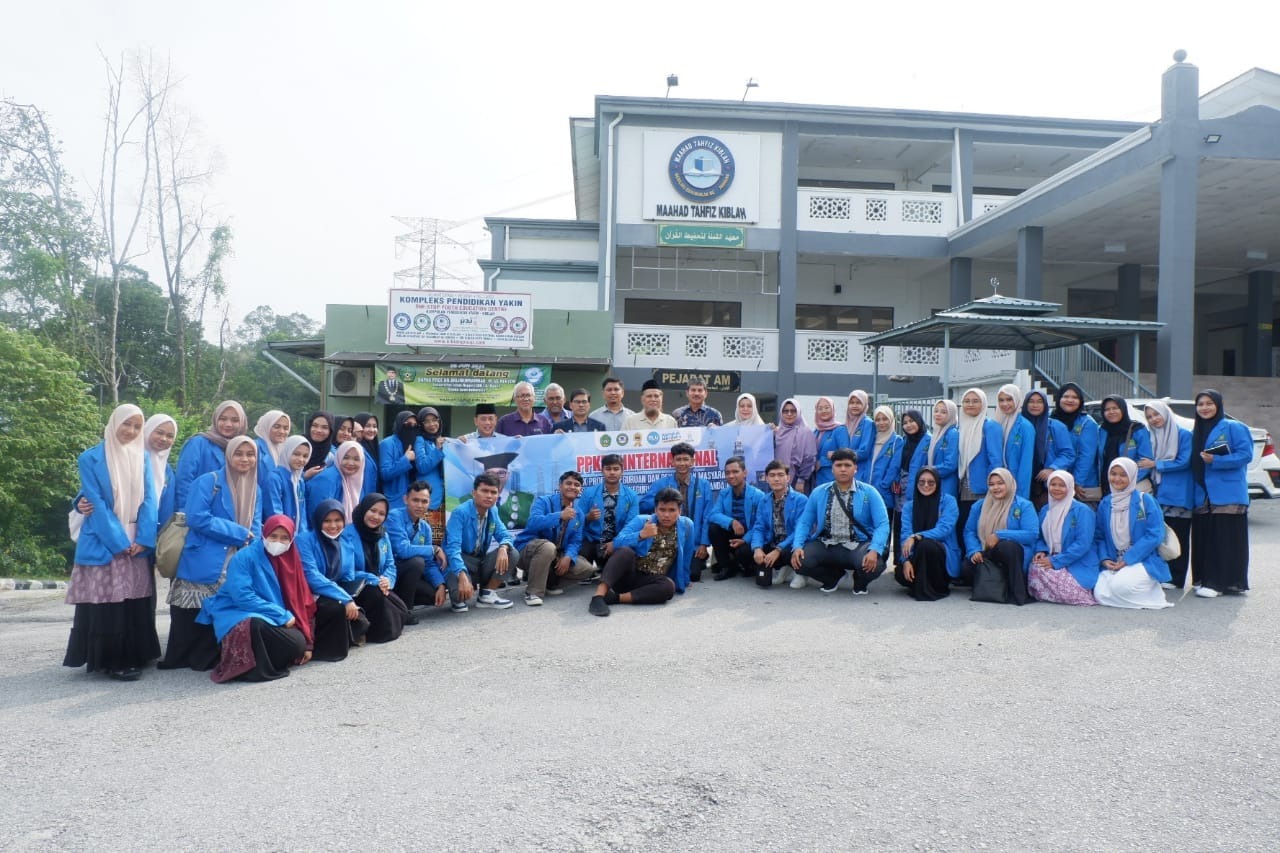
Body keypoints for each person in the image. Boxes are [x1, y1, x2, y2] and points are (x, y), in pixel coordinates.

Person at [63, 404, 160, 681]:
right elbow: (95, 502)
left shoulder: (142, 457)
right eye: (126, 424)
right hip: (105, 538)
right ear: (114, 423)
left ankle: (137, 654)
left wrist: (144, 538)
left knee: (134, 600)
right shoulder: (90, 458)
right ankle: (112, 661)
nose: (131, 430)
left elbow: (150, 499)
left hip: (137, 538)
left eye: (137, 426)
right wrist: (118, 542)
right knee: (109, 602)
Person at [160, 435, 262, 671]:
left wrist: (251, 546)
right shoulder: (209, 481)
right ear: (228, 455)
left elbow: (256, 524)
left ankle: (209, 657)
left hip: (238, 556)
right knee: (191, 609)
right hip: (205, 554)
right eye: (238, 454)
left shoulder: (255, 487)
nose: (245, 459)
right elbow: (196, 517)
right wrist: (238, 533)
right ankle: (182, 657)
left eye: (250, 454)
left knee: (222, 607)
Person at [196, 514, 312, 682]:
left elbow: (302, 601)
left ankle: (263, 660)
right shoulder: (244, 557)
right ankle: (251, 668)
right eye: (273, 536)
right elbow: (242, 597)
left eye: (284, 538)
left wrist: (308, 642)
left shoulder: (292, 560)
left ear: (292, 540)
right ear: (264, 534)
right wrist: (280, 614)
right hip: (238, 611)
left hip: (273, 616)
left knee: (297, 644)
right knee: (255, 624)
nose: (278, 542)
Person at [787, 448, 889, 595]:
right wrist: (797, 546)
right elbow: (805, 522)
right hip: (827, 544)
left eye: (847, 465)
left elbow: (882, 524)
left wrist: (875, 549)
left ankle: (860, 581)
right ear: (832, 468)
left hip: (858, 545)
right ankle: (832, 577)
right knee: (800, 560)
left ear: (855, 468)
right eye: (838, 465)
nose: (843, 469)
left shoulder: (870, 492)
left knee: (874, 563)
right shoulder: (819, 492)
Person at [588, 487, 693, 617]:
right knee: (625, 552)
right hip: (627, 575)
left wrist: (685, 580)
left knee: (668, 587)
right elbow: (617, 542)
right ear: (655, 510)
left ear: (680, 511)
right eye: (662, 510)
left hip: (652, 580)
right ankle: (598, 596)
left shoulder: (687, 525)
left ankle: (615, 598)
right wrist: (641, 535)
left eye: (672, 510)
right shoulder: (642, 520)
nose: (666, 515)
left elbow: (687, 554)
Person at [1189, 389, 1251, 598]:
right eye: (1200, 404)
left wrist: (1217, 460)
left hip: (1228, 491)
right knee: (1205, 537)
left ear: (1218, 405)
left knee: (1225, 538)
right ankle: (1204, 578)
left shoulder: (1233, 427)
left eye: (1209, 403)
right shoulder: (1197, 431)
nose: (1204, 408)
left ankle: (1221, 584)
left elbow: (1246, 455)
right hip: (1202, 493)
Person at [1093, 458, 1174, 609]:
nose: (1117, 479)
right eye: (1113, 474)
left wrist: (1128, 558)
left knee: (1119, 587)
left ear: (1132, 476)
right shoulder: (1106, 503)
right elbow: (1100, 536)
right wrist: (1104, 559)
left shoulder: (1146, 500)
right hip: (1115, 560)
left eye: (1123, 475)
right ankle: (1127, 593)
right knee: (1099, 593)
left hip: (1142, 559)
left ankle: (1151, 590)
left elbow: (1155, 534)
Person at [298, 500, 370, 659]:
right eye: (327, 520)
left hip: (332, 590)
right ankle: (324, 650)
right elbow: (311, 576)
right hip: (310, 593)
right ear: (318, 521)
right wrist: (345, 598)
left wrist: (375, 580)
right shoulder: (305, 540)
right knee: (337, 608)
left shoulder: (344, 542)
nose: (333, 526)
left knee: (368, 600)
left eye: (338, 520)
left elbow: (349, 576)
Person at [514, 471, 597, 605]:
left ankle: (550, 583)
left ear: (580, 490)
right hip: (527, 551)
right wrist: (559, 516)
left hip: (556, 554)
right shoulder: (543, 501)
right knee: (548, 547)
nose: (572, 487)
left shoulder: (579, 514)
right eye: (568, 483)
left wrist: (568, 557)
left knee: (587, 569)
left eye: (576, 485)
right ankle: (533, 593)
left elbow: (575, 541)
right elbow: (533, 523)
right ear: (560, 486)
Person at [962, 468, 1037, 604]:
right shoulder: (979, 506)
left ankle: (1016, 592)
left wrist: (1000, 535)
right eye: (991, 484)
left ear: (1009, 483)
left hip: (1013, 554)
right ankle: (993, 588)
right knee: (966, 568)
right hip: (986, 549)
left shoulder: (1024, 505)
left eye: (1000, 483)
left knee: (1008, 547)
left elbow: (1032, 534)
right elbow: (969, 531)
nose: (996, 487)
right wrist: (974, 551)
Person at [443, 473, 517, 611]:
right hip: (462, 560)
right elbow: (452, 549)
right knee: (460, 601)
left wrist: (503, 547)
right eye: (484, 491)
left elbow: (504, 535)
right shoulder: (460, 513)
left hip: (480, 561)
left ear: (498, 495)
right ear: (474, 493)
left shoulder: (493, 510)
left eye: (493, 492)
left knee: (512, 553)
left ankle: (486, 595)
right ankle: (460, 588)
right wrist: (462, 575)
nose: (489, 496)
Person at [641, 442, 712, 582]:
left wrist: (703, 544)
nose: (682, 463)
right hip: (666, 540)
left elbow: (707, 516)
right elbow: (643, 506)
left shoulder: (703, 485)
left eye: (686, 459)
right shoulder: (662, 484)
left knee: (693, 575)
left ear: (692, 461)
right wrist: (662, 498)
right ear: (672, 461)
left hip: (692, 542)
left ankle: (697, 559)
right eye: (678, 459)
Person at [345, 493, 410, 642]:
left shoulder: (382, 534)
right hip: (355, 585)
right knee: (380, 600)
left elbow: (390, 564)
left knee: (401, 609)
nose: (376, 517)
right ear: (364, 509)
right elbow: (346, 571)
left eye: (381, 514)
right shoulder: (347, 534)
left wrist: (387, 580)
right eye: (373, 511)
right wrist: (374, 579)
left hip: (378, 584)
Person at [1142, 400, 1193, 590]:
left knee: (1179, 535)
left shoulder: (1183, 435)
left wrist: (1157, 464)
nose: (1153, 419)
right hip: (1159, 492)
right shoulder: (1152, 436)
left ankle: (1177, 578)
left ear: (1166, 414)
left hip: (1178, 493)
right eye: (1149, 416)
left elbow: (1185, 461)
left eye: (1156, 414)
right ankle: (1164, 574)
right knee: (1162, 536)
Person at [1028, 470, 1098, 605]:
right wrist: (1041, 550)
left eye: (1062, 485)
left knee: (1068, 589)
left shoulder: (1082, 511)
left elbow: (1083, 544)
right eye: (1053, 484)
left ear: (1070, 487)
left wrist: (1055, 561)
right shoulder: (1046, 510)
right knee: (1035, 568)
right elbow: (1040, 536)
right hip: (1052, 556)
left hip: (1076, 561)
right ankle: (1056, 595)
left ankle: (1078, 595)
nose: (1057, 488)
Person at [895, 466, 960, 601]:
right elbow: (905, 535)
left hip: (941, 554)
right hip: (917, 553)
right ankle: (920, 585)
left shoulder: (949, 501)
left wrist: (917, 536)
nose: (926, 485)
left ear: (938, 483)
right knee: (900, 574)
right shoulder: (909, 506)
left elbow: (944, 529)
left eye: (931, 482)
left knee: (926, 545)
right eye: (922, 482)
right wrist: (906, 561)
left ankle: (935, 588)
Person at [385, 480, 449, 615]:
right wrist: (434, 549)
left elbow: (429, 562)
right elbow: (403, 550)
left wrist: (441, 584)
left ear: (429, 503)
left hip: (409, 576)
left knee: (433, 594)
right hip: (390, 573)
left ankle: (394, 603)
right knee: (417, 562)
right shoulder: (394, 517)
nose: (420, 505)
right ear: (406, 499)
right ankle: (405, 611)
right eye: (415, 500)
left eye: (424, 501)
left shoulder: (425, 527)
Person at [955, 388, 1002, 560]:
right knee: (963, 526)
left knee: (979, 528)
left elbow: (996, 460)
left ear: (983, 403)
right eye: (967, 401)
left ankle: (980, 565)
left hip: (982, 488)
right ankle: (966, 564)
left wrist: (992, 486)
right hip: (962, 487)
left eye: (975, 401)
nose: (970, 404)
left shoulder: (990, 426)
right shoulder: (960, 427)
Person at [174, 400, 247, 508]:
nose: (228, 424)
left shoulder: (244, 448)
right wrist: (186, 510)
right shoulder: (198, 443)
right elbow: (184, 481)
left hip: (231, 513)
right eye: (223, 419)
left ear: (242, 422)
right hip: (198, 511)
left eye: (235, 420)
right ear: (215, 419)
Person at [708, 456, 768, 581]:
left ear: (745, 473)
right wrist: (732, 522)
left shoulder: (758, 495)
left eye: (735, 472)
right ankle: (726, 567)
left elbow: (760, 525)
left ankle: (746, 565)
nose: (731, 476)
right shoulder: (724, 493)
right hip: (732, 533)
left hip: (750, 535)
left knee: (744, 552)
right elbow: (713, 515)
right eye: (727, 473)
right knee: (714, 528)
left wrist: (745, 540)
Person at [751, 460, 808, 588]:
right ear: (766, 478)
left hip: (793, 543)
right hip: (774, 541)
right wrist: (757, 548)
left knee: (789, 552)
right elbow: (759, 527)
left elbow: (800, 530)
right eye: (772, 475)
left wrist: (779, 549)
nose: (776, 479)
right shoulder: (764, 500)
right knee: (748, 551)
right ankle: (783, 568)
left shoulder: (800, 500)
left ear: (788, 478)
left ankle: (801, 573)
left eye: (780, 475)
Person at [577, 453, 640, 569]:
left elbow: (631, 526)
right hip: (591, 540)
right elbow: (576, 522)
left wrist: (615, 543)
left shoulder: (632, 496)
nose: (612, 472)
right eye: (608, 469)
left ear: (622, 471)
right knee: (579, 562)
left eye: (616, 469)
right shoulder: (589, 493)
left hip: (616, 541)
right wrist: (588, 517)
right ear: (602, 471)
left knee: (624, 560)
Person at [1022, 390, 1075, 509]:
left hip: (1046, 485)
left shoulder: (1056, 427)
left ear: (1045, 405)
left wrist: (1052, 468)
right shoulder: (1019, 426)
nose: (1035, 405)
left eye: (1039, 402)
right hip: (1023, 480)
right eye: (1031, 401)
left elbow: (1068, 453)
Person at [1051, 383, 1101, 502]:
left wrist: (1076, 482)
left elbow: (1086, 456)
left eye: (1075, 397)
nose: (1070, 400)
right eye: (1066, 396)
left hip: (1081, 485)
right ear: (1059, 399)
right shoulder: (1050, 419)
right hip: (1054, 482)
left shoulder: (1087, 423)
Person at [866, 406, 904, 561]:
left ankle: (881, 559)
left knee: (883, 525)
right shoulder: (871, 439)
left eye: (885, 419)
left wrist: (883, 485)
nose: (881, 423)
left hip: (884, 491)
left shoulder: (896, 441)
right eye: (877, 419)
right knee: (867, 525)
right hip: (866, 490)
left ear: (892, 420)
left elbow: (895, 466)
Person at [1096, 395, 1153, 495]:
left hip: (1132, 485)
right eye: (1107, 409)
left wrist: (1126, 481)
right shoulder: (1101, 430)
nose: (1111, 412)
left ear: (1123, 409)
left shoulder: (1137, 429)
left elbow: (1145, 462)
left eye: (1115, 408)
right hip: (1107, 486)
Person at [892, 409, 927, 564]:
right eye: (905, 422)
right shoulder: (904, 441)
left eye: (912, 421)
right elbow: (897, 464)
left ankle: (914, 560)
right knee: (900, 522)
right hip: (901, 488)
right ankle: (900, 560)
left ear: (919, 421)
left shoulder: (928, 440)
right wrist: (895, 480)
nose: (908, 425)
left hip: (920, 487)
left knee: (915, 523)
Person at [306, 440, 367, 523]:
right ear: (339, 457)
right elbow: (317, 515)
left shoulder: (355, 481)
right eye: (346, 457)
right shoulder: (327, 479)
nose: (351, 463)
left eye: (356, 459)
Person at [993, 384, 1035, 499]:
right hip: (997, 484)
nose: (1005, 404)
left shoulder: (1025, 426)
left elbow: (1026, 464)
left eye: (1009, 399)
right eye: (1001, 400)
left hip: (1015, 484)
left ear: (1017, 400)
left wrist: (1020, 495)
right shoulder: (996, 423)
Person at [379, 411, 427, 510]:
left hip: (413, 502)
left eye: (415, 425)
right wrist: (405, 459)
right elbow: (385, 473)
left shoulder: (415, 443)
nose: (411, 427)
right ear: (399, 424)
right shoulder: (387, 443)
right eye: (408, 424)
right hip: (394, 502)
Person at [772, 398, 816, 494]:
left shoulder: (805, 432)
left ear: (799, 412)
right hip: (777, 479)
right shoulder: (777, 433)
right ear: (781, 413)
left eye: (793, 411)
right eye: (785, 411)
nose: (789, 414)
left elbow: (809, 457)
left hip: (797, 481)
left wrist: (801, 480)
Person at [252, 409, 291, 517]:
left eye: (286, 428)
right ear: (267, 426)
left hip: (282, 508)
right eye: (276, 426)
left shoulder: (287, 451)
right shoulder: (254, 448)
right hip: (258, 510)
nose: (282, 431)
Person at [144, 414, 179, 528]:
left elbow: (167, 508)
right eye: (159, 432)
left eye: (170, 436)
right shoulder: (131, 460)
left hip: (153, 531)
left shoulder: (167, 471)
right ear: (148, 430)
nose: (163, 439)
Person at [273, 436, 312, 533]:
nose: (301, 459)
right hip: (280, 535)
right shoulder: (275, 478)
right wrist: (287, 535)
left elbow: (302, 514)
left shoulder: (299, 481)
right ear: (287, 452)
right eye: (296, 454)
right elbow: (275, 513)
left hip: (296, 536)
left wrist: (302, 537)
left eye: (305, 456)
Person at [922, 399, 959, 500]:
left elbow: (950, 464)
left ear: (951, 414)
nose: (938, 414)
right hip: (933, 482)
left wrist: (929, 471)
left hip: (946, 485)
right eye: (936, 411)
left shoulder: (953, 434)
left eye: (943, 412)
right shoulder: (936, 434)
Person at [811, 396, 848, 488]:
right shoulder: (816, 431)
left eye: (827, 407)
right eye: (820, 408)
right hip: (816, 478)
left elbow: (845, 453)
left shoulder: (840, 429)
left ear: (833, 409)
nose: (823, 411)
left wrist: (822, 462)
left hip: (832, 477)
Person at [416, 406, 447, 513]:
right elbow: (422, 466)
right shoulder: (420, 440)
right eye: (427, 421)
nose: (432, 424)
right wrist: (437, 450)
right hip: (427, 498)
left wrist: (460, 442)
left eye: (434, 420)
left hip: (444, 498)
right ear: (421, 424)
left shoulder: (440, 440)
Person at [844, 390, 876, 482]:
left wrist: (841, 455)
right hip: (846, 471)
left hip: (860, 472)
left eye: (858, 403)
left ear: (865, 404)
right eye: (852, 402)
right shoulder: (846, 423)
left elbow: (864, 452)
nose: (854, 405)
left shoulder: (868, 423)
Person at [353, 412, 382, 493]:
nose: (372, 430)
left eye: (374, 426)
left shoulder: (375, 448)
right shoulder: (355, 449)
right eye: (367, 426)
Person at [302, 411, 337, 479]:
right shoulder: (297, 445)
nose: (319, 430)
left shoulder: (332, 456)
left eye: (324, 427)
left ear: (330, 431)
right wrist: (304, 476)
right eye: (315, 425)